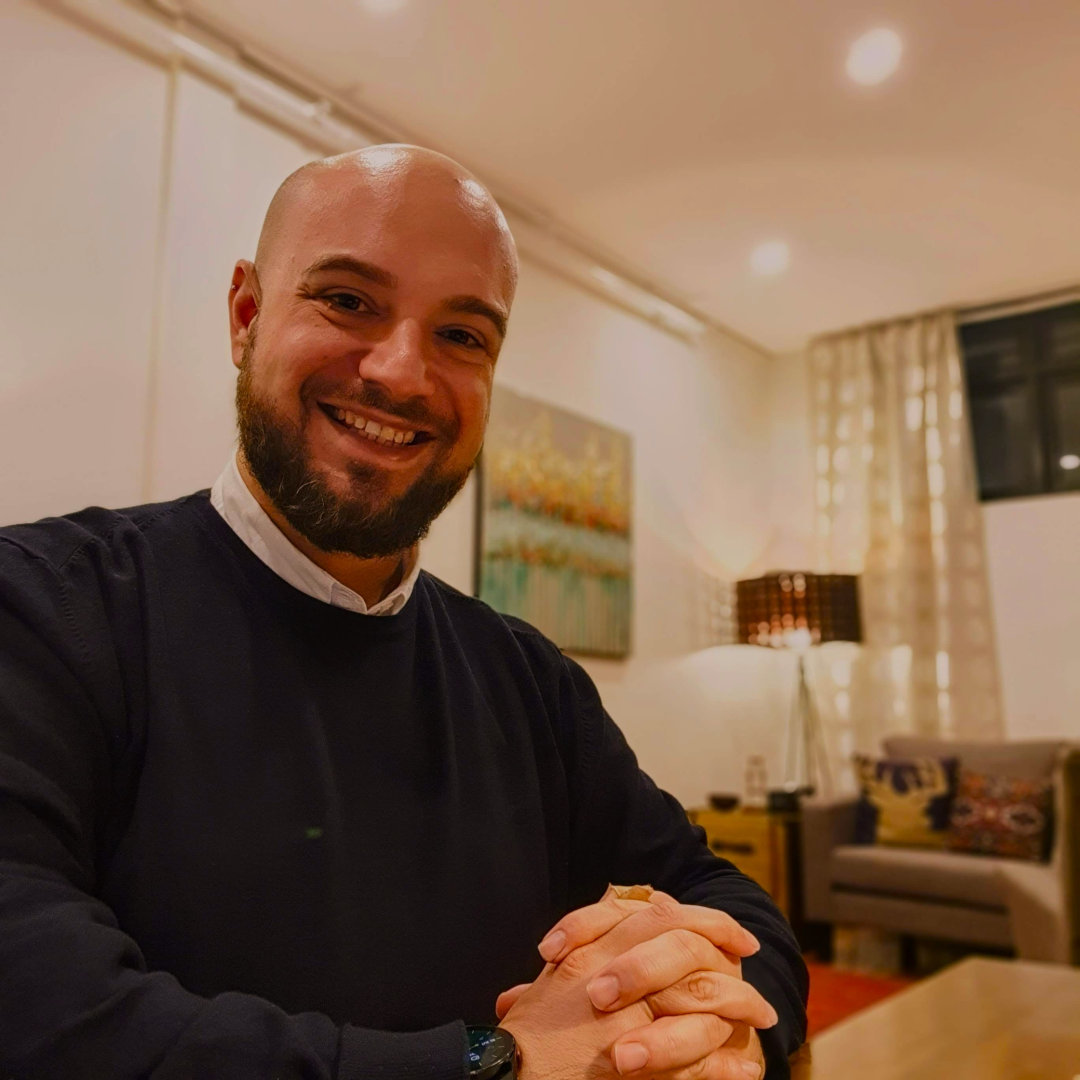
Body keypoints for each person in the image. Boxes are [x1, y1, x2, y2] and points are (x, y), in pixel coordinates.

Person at [0, 145, 807, 1079]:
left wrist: (722, 1021)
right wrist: (496, 1063)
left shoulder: (529, 680)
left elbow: (731, 906)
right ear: (247, 315)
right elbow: (41, 1011)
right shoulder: (43, 606)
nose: (401, 372)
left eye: (463, 335)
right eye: (347, 300)